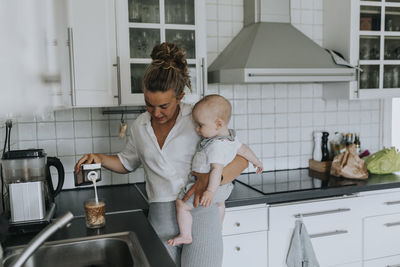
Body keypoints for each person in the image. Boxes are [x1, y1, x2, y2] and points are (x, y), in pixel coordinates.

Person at [74, 42, 247, 267]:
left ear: (180, 96)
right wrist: (100, 158)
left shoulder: (198, 118)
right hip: (160, 220)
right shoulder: (139, 126)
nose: (156, 113)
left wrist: (209, 181)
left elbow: (241, 159)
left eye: (164, 106)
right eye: (149, 104)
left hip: (201, 214)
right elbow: (126, 163)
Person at [168, 95, 263, 246]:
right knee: (220, 204)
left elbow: (216, 170)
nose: (197, 129)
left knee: (182, 204)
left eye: (200, 125)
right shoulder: (231, 138)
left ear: (218, 124)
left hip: (210, 186)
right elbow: (244, 150)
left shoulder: (215, 146)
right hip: (225, 189)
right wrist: (257, 162)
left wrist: (210, 191)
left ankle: (185, 234)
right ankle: (217, 228)